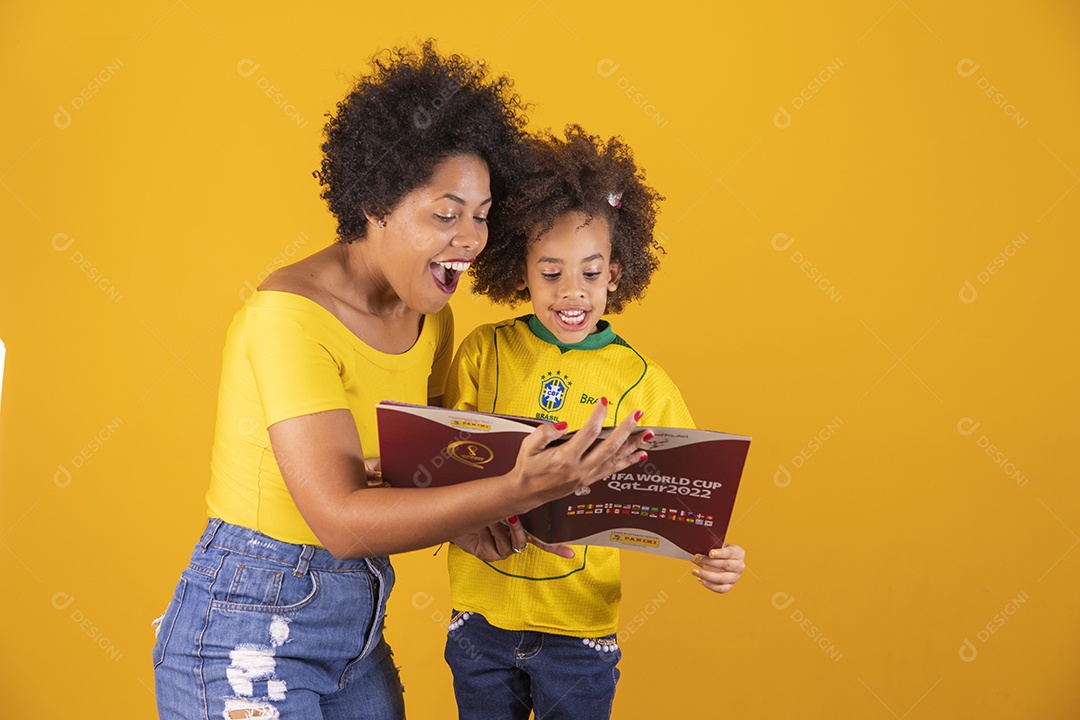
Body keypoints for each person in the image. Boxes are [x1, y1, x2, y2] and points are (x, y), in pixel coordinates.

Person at [151, 44, 651, 720]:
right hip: (247, 622)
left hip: (356, 627)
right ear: (376, 204)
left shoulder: (431, 318)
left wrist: (487, 520)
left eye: (482, 214)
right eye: (446, 215)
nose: (470, 239)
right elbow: (341, 521)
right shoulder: (287, 319)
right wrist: (518, 487)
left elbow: (433, 471)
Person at [442, 126, 748, 720]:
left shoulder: (643, 380)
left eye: (590, 272)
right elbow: (444, 465)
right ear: (520, 271)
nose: (571, 293)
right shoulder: (485, 350)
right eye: (550, 272)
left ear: (614, 273)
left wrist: (716, 554)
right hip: (480, 620)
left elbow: (690, 496)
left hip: (579, 632)